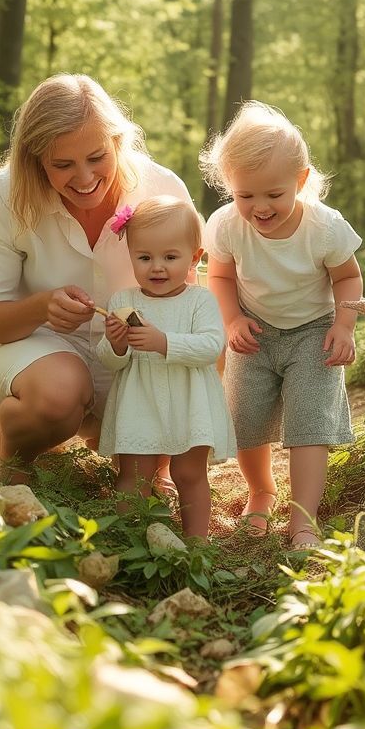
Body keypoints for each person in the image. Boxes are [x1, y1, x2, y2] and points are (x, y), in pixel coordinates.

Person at [0, 74, 194, 482]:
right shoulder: (6, 194)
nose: (85, 178)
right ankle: (16, 457)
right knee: (59, 394)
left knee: (140, 478)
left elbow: (192, 301)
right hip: (26, 349)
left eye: (96, 157)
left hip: (129, 352)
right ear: (36, 161)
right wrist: (41, 307)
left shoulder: (161, 188)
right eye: (63, 165)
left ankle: (122, 448)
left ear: (117, 143)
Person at [199, 101, 363, 549]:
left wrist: (344, 326)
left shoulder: (325, 229)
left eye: (274, 194)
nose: (260, 207)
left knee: (309, 422)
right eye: (245, 195)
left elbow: (347, 277)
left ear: (301, 180)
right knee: (246, 418)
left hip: (315, 331)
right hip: (253, 330)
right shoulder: (228, 227)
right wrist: (231, 319)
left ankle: (303, 519)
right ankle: (261, 492)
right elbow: (220, 275)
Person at [95, 197, 235, 538]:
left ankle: (196, 544)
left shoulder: (199, 300)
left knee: (189, 474)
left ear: (195, 257)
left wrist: (164, 343)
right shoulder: (123, 302)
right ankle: (130, 540)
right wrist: (116, 343)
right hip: (139, 400)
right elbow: (111, 361)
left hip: (189, 401)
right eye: (144, 257)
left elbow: (211, 346)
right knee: (134, 477)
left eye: (170, 257)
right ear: (131, 257)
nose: (157, 267)